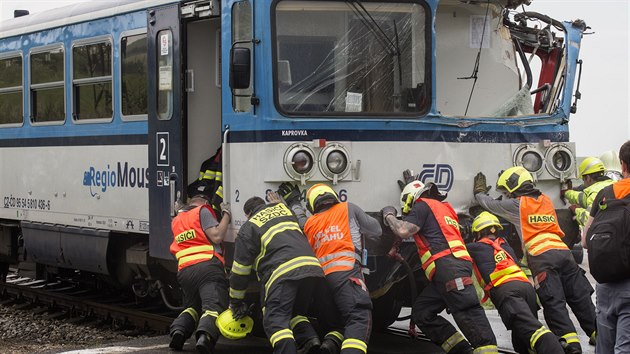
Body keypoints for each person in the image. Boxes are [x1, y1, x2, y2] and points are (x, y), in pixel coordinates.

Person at [473, 166, 596, 353]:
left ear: (514, 189)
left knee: (554, 303)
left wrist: (479, 193)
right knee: (580, 298)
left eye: (508, 191)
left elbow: (490, 205)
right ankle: (599, 335)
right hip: (564, 253)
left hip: (542, 257)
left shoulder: (517, 205)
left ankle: (570, 345)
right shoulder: (545, 200)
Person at [382, 177, 498, 354]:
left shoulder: (422, 205)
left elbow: (403, 230)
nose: (410, 212)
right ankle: (462, 350)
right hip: (446, 271)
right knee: (422, 312)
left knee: (467, 310)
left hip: (450, 267)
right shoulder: (444, 208)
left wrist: (389, 214)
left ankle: (487, 350)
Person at [278, 182, 381, 354]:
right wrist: (388, 213)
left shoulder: (310, 223)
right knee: (358, 318)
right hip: (347, 275)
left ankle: (330, 344)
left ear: (312, 205)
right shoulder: (348, 208)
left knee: (335, 324)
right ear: (333, 195)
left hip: (321, 282)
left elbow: (300, 220)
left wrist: (294, 203)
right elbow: (376, 230)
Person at [228, 196, 324, 354]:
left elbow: (240, 271)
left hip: (283, 271)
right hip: (311, 267)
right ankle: (309, 341)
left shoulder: (249, 226)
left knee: (275, 320)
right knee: (295, 313)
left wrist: (236, 302)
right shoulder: (285, 210)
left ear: (248, 214)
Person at [467, 211, 564, 354]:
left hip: (507, 291)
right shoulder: (506, 247)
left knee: (534, 332)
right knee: (522, 339)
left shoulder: (475, 247)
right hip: (526, 289)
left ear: (478, 233)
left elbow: (455, 249)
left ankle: (556, 349)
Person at [583, 140, 630, 353]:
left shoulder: (604, 194)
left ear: (622, 165)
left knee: (604, 347)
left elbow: (585, 240)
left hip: (603, 284)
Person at [168, 194, 231, 354]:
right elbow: (216, 236)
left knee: (192, 307)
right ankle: (205, 337)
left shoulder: (177, 220)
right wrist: (226, 215)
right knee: (213, 307)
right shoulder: (202, 211)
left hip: (184, 271)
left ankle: (179, 333)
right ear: (205, 203)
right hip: (207, 267)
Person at [562, 157, 614, 227]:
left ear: (588, 178)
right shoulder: (614, 184)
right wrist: (567, 193)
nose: (583, 183)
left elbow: (588, 220)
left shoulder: (595, 192)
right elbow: (583, 198)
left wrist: (576, 210)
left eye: (583, 179)